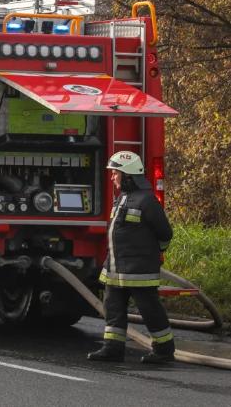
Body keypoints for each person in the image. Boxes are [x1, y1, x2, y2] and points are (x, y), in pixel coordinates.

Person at [88, 151, 175, 364]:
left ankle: (164, 349)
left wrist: (154, 254)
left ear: (127, 175)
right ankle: (113, 348)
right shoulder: (122, 199)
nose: (112, 177)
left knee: (149, 309)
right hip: (116, 269)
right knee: (113, 308)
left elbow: (165, 233)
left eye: (115, 173)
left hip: (138, 271)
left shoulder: (147, 201)